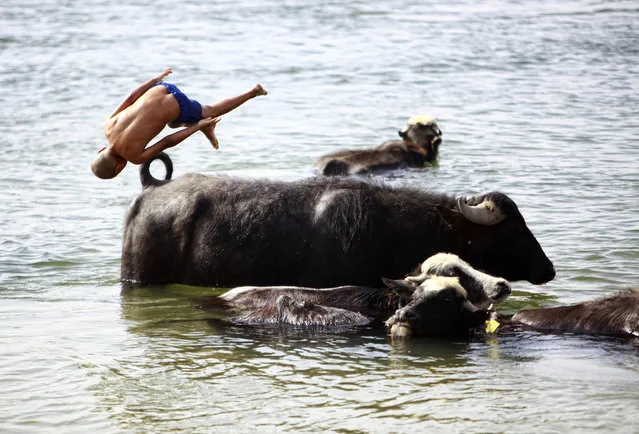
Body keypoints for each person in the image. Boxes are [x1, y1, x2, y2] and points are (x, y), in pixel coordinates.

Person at [91, 68, 267, 179]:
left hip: (177, 104)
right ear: (101, 150)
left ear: (119, 168)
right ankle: (203, 125)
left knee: (210, 111)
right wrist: (155, 79)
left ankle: (253, 92)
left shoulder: (135, 157)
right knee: (173, 123)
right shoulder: (107, 125)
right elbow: (131, 97)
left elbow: (168, 142)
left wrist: (198, 126)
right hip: (161, 88)